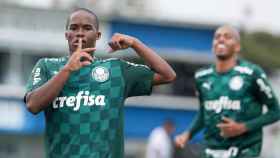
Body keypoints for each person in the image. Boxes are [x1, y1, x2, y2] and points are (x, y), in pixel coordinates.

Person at [24, 8, 176, 158]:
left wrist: (135, 43)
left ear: (97, 35)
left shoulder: (116, 70)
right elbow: (33, 105)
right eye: (74, 28)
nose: (80, 33)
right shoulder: (47, 66)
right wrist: (67, 70)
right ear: (67, 35)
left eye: (87, 28)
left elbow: (167, 75)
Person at [175, 25, 280, 158]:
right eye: (217, 37)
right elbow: (204, 112)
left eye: (227, 37)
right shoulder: (202, 77)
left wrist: (243, 127)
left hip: (244, 150)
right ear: (213, 45)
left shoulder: (252, 73)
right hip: (212, 150)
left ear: (237, 47)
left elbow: (275, 111)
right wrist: (188, 134)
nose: (221, 40)